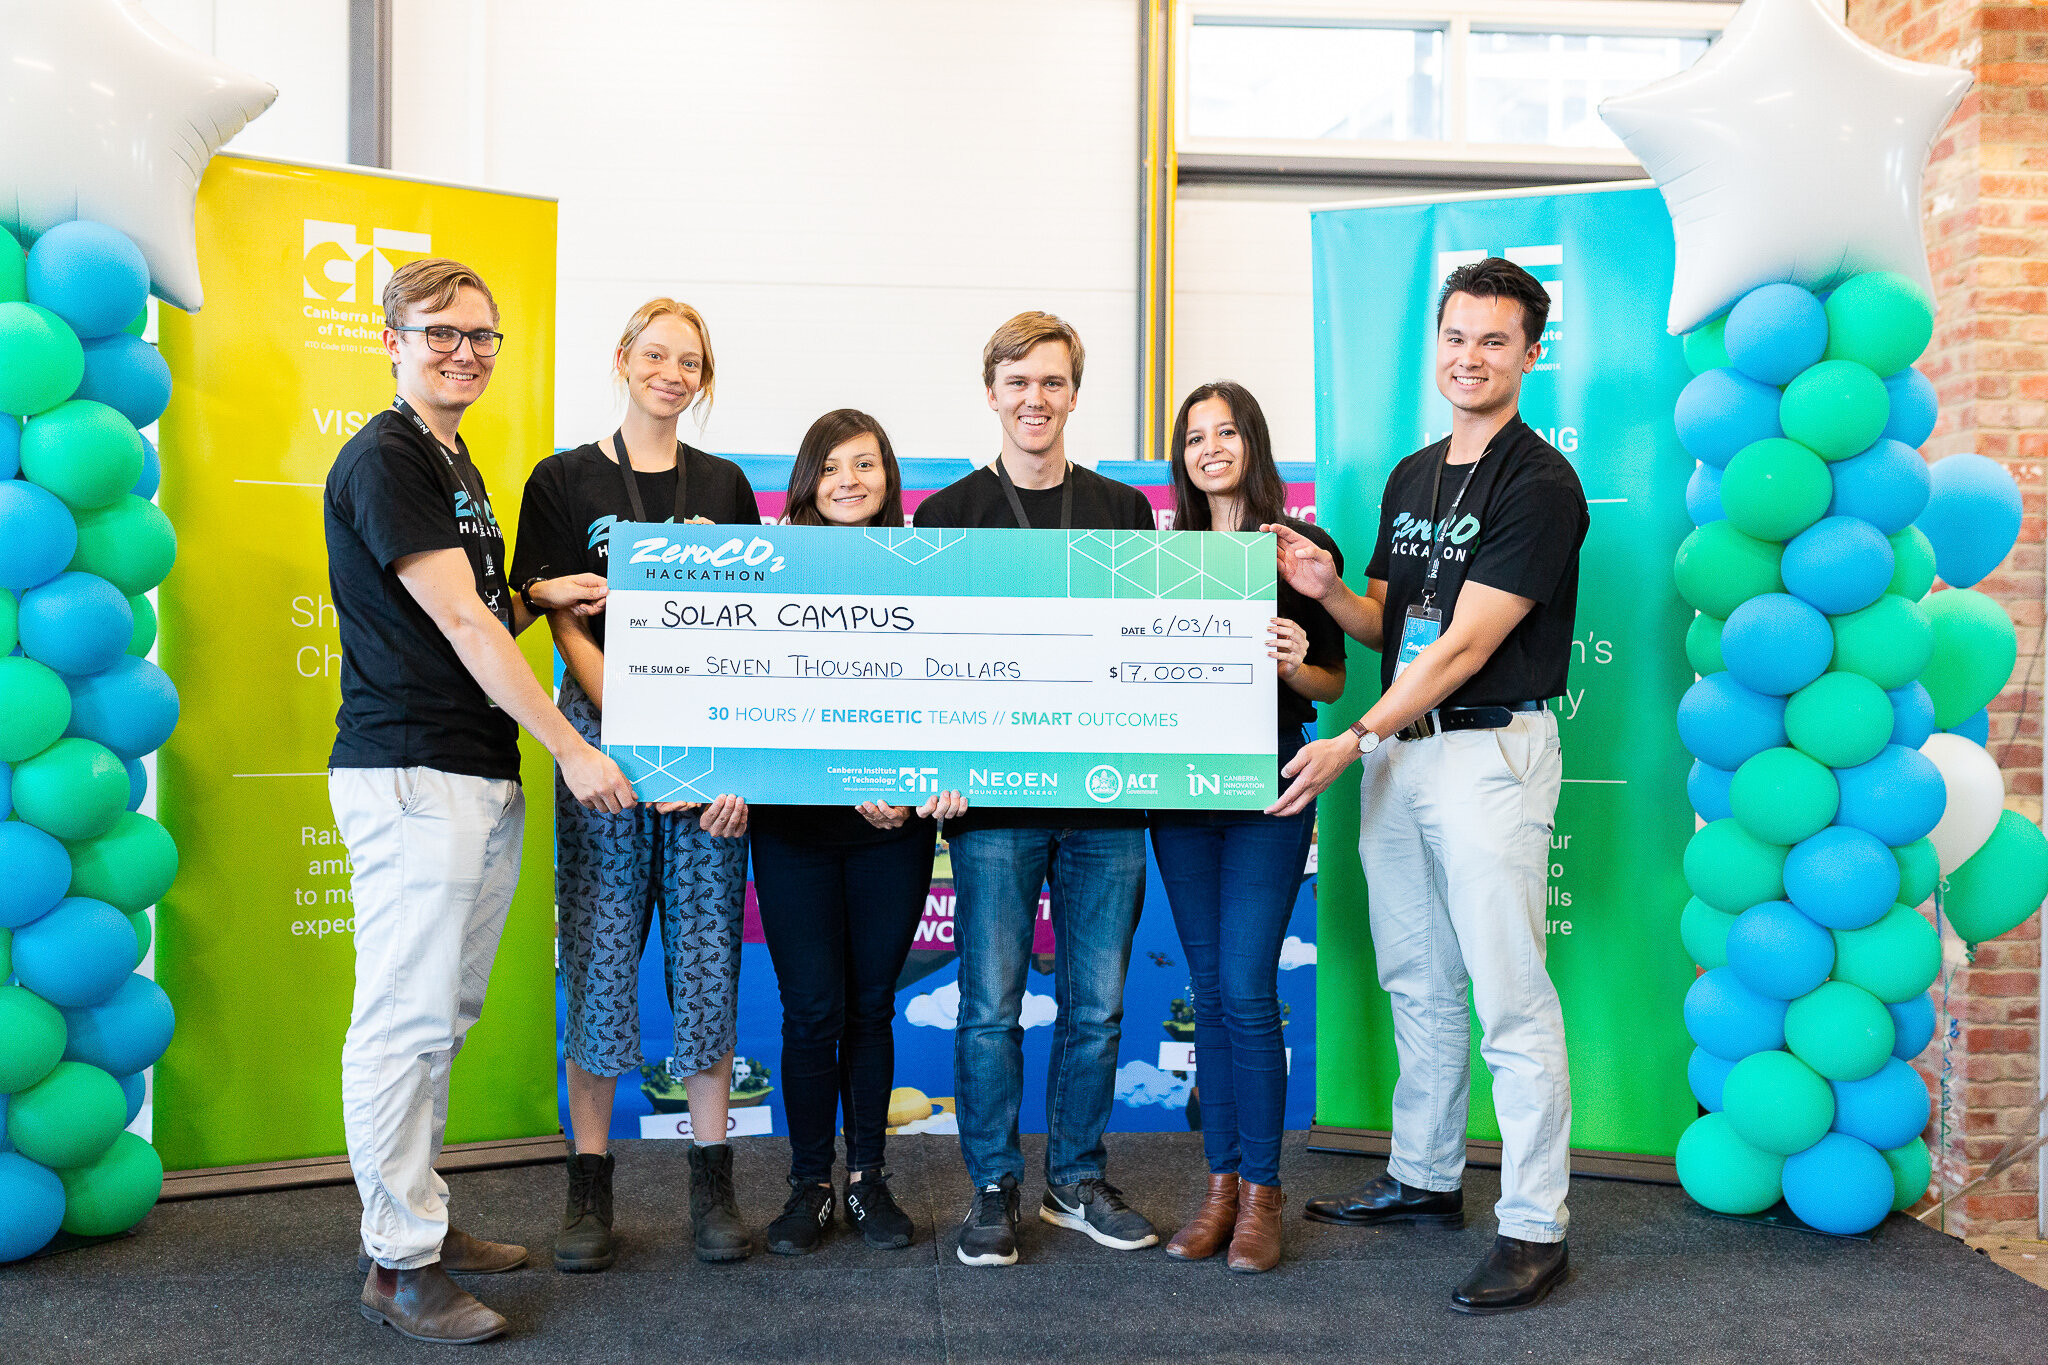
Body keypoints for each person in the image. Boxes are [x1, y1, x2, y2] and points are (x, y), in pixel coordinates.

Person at [326, 258, 637, 1345]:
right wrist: (569, 747)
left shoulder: (452, 458)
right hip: (412, 770)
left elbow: (473, 605)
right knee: (402, 1022)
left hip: (467, 768)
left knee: (440, 1016)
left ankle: (416, 1213)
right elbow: (458, 629)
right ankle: (398, 1262)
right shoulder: (387, 458)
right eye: (440, 332)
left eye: (481, 336)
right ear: (393, 341)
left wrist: (533, 594)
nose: (464, 350)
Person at [1270, 257, 1587, 1314]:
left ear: (1529, 355)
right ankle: (1424, 1175)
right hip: (1401, 753)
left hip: (1483, 750)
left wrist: (1349, 737)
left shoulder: (1540, 485)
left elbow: (1458, 649)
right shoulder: (1411, 477)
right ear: (1436, 344)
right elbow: (1383, 626)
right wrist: (1325, 590)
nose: (1469, 357)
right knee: (1416, 977)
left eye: (1493, 341)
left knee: (1507, 995)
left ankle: (1536, 1224)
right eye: (1455, 337)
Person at [509, 298, 758, 1271]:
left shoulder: (726, 486)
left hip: (709, 743)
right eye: (654, 354)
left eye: (688, 360)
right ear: (622, 360)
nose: (670, 372)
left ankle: (710, 1182)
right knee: (601, 954)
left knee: (705, 962)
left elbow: (751, 632)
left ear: (701, 377)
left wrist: (730, 767)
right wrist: (624, 729)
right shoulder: (563, 479)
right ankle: (589, 1188)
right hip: (599, 742)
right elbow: (553, 609)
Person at [912, 312, 1162, 1267]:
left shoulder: (1123, 512)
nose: (1035, 399)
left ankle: (1076, 1178)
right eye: (1018, 382)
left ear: (1073, 394)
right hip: (993, 808)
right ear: (991, 393)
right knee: (989, 1006)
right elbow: (924, 662)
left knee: (1097, 1006)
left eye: (1052, 383)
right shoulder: (947, 516)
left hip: (1105, 802)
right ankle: (990, 1184)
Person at [751, 409, 967, 1256]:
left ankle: (869, 1180)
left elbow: (947, 687)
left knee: (871, 1006)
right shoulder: (764, 571)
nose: (849, 480)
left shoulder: (921, 570)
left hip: (892, 833)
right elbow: (748, 693)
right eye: (832, 465)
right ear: (807, 479)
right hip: (794, 831)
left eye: (866, 465)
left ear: (888, 479)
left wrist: (911, 783)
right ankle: (809, 1185)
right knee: (810, 1011)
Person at [1151, 382, 1345, 1274]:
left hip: (1269, 789)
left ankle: (1263, 1194)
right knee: (1207, 992)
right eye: (1196, 436)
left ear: (1253, 442)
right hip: (1180, 800)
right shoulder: (1157, 556)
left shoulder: (1302, 550)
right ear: (1182, 457)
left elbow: (1335, 686)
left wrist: (1301, 662)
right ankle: (1219, 1187)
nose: (1211, 447)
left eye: (1227, 431)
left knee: (1244, 988)